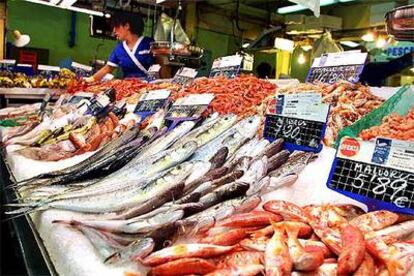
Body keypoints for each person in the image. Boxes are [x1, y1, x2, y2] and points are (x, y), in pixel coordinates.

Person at [86, 11, 155, 82]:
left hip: (150, 87)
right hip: (129, 88)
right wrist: (89, 80)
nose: (114, 31)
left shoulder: (149, 43)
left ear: (127, 26)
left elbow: (161, 67)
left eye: (116, 27)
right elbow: (107, 69)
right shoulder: (119, 49)